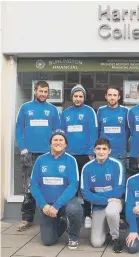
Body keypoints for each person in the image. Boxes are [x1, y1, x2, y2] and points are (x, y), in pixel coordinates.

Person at [15, 80, 61, 231]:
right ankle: (27, 218)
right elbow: (18, 128)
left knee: (48, 184)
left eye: (45, 92)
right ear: (35, 91)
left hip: (47, 155)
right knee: (29, 186)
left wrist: (55, 151)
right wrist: (23, 148)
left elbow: (57, 132)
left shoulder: (52, 110)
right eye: (40, 91)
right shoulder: (25, 108)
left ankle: (49, 216)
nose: (43, 94)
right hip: (29, 154)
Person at [30, 130, 82, 249]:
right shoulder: (41, 160)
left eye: (61, 140)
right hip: (47, 205)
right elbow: (34, 185)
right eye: (55, 140)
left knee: (75, 209)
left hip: (65, 203)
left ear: (65, 145)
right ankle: (63, 223)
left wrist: (57, 205)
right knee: (48, 241)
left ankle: (73, 237)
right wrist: (44, 205)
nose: (58, 142)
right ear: (50, 143)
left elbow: (73, 185)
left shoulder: (71, 160)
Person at [61, 84, 98, 228]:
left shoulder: (89, 112)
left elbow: (93, 133)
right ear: (72, 97)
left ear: (84, 97)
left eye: (80, 96)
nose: (78, 98)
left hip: (85, 155)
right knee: (71, 186)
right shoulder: (65, 113)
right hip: (69, 156)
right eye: (75, 96)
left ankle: (88, 214)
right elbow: (61, 133)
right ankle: (71, 214)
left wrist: (91, 152)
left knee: (85, 185)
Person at [81, 137, 125, 252]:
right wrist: (106, 200)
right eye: (98, 148)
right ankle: (106, 227)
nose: (101, 151)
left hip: (114, 203)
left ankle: (116, 238)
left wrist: (101, 198)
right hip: (99, 205)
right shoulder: (87, 167)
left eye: (104, 149)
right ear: (94, 150)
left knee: (111, 212)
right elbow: (85, 193)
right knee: (97, 243)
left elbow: (119, 191)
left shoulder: (117, 165)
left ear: (109, 151)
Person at [97, 87, 130, 168]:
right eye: (110, 95)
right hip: (103, 153)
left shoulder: (125, 111)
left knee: (120, 177)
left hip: (120, 153)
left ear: (119, 97)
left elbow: (128, 131)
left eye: (115, 95)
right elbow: (97, 130)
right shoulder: (100, 111)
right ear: (106, 96)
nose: (112, 97)